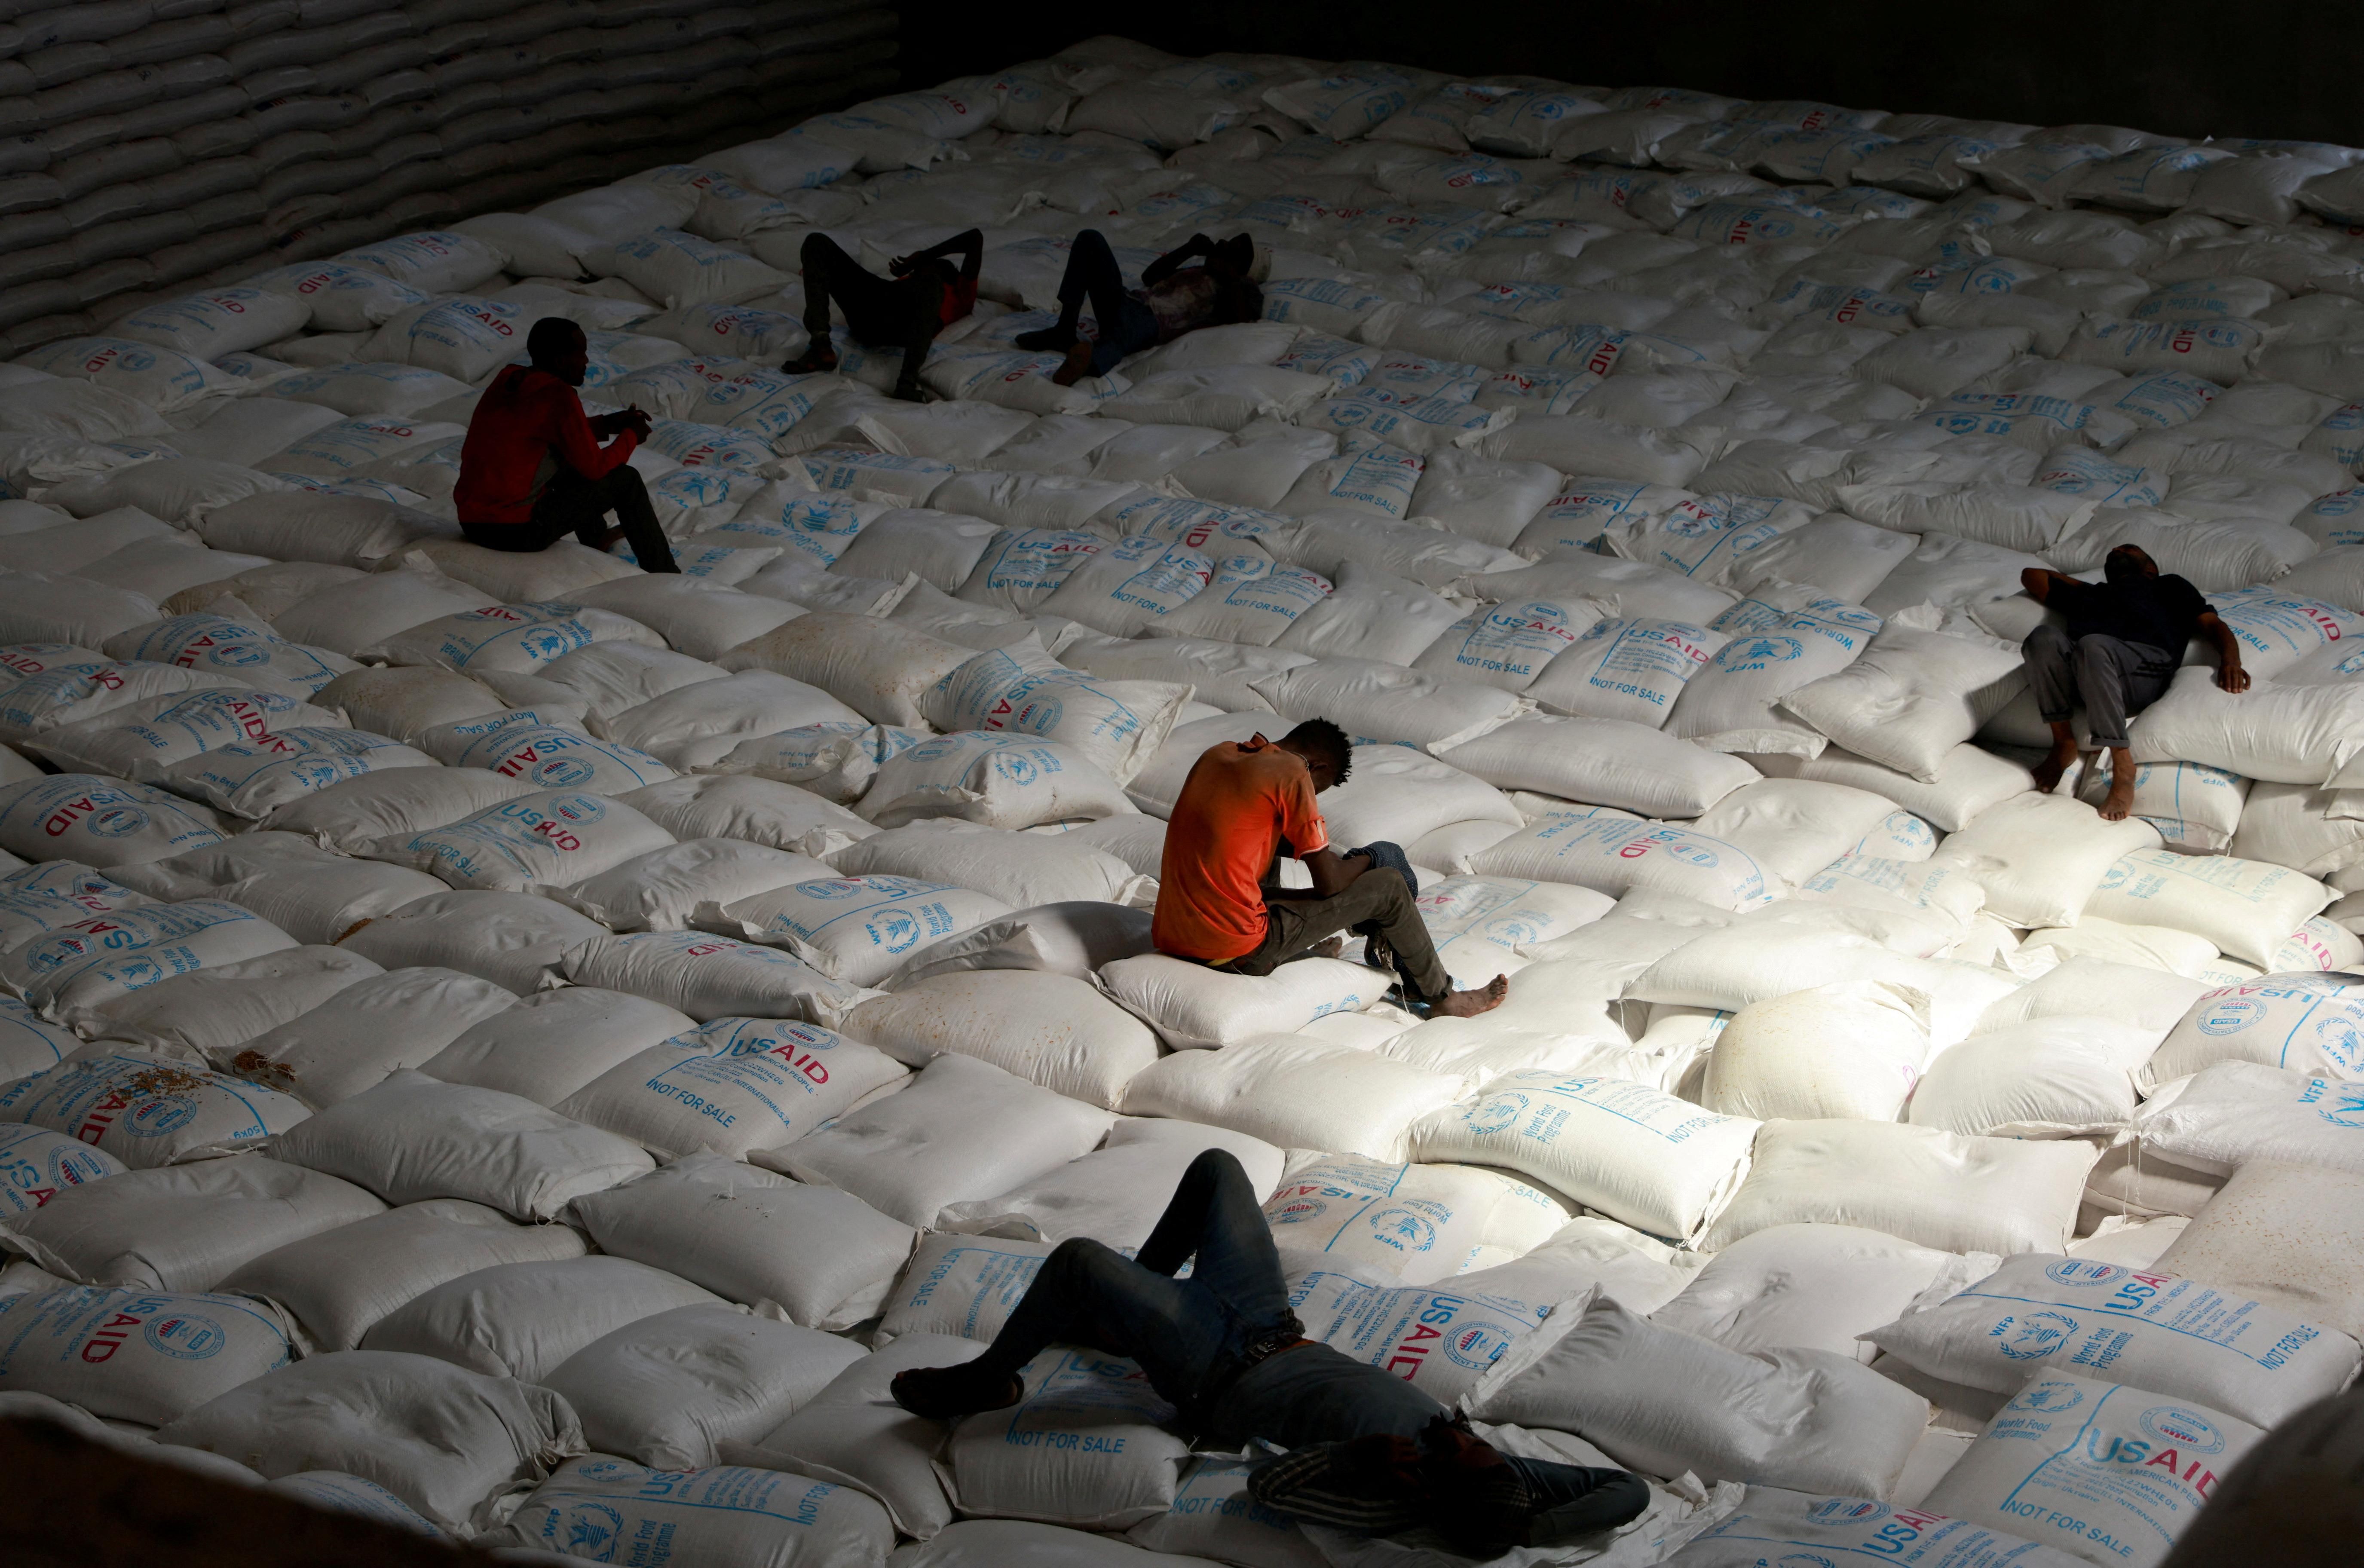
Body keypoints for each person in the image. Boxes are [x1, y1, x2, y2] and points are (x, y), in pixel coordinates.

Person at [890, 1148, 1650, 1558]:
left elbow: (1270, 1488)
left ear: (1444, 1488)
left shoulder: (1389, 1487)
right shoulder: (1502, 1475)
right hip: (1271, 1321)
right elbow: (1625, 1491)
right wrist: (1529, 1526)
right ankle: (1129, 1307)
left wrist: (1356, 1463)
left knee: (1080, 1259)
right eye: (1478, 1446)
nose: (1463, 1434)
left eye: (1462, 1452)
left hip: (1212, 1365)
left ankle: (989, 1379)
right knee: (1218, 1168)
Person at [1152, 718, 1507, 1020]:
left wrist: (1320, 855)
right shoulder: (1293, 772)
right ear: (1318, 768)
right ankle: (1445, 999)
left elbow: (1239, 841)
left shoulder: (1219, 755)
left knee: (1269, 841)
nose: (1315, 796)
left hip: (1174, 937)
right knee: (1389, 883)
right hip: (1236, 952)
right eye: (1319, 788)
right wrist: (1371, 857)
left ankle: (1294, 950)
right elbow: (1328, 884)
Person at [2019, 544, 2246, 821]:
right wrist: (2090, 589)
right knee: (2042, 637)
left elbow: (2213, 625)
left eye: (2127, 550)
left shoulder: (2169, 587)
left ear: (2150, 569)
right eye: (2113, 550)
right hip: (2085, 672)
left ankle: (2123, 765)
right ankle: (2063, 742)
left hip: (2143, 674)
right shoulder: (2092, 595)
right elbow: (2031, 575)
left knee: (2093, 645)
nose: (2116, 549)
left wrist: (2231, 662)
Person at [453, 317, 678, 572]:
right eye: (581, 354)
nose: (586, 362)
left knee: (568, 458)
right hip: (516, 532)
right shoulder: (558, 397)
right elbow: (596, 468)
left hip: (472, 523)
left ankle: (596, 539)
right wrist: (631, 436)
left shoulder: (511, 380)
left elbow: (541, 432)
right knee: (625, 480)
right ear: (560, 360)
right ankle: (664, 572)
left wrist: (607, 425)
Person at [1015, 228, 1263, 386]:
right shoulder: (1196, 272)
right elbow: (1150, 277)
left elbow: (1243, 315)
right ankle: (1065, 330)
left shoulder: (1238, 289)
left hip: (1151, 323)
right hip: (1127, 300)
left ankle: (1087, 364)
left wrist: (1230, 274)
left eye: (1232, 248)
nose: (1222, 244)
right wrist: (1188, 250)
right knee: (1090, 239)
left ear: (1242, 269)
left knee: (1120, 338)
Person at [780, 227, 983, 401]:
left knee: (931, 285)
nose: (915, 273)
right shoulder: (905, 284)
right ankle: (820, 344)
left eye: (923, 269)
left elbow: (974, 238)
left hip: (900, 324)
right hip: (872, 309)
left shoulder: (958, 293)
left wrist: (923, 257)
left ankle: (906, 382)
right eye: (916, 272)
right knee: (817, 242)